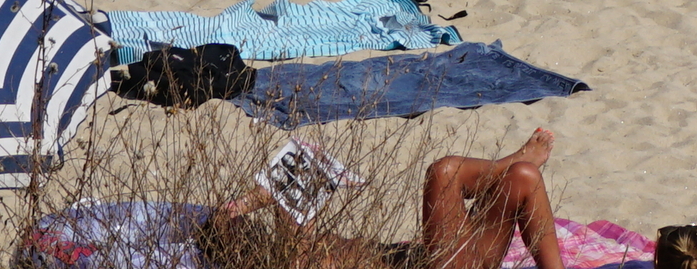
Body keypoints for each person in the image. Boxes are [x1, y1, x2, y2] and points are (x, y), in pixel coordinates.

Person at [196, 130, 574, 269]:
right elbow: (219, 223)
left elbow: (220, 219)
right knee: (450, 172)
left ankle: (512, 165)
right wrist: (264, 203)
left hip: (442, 256)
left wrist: (251, 204)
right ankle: (512, 163)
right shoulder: (289, 259)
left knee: (515, 177)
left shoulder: (302, 246)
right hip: (443, 266)